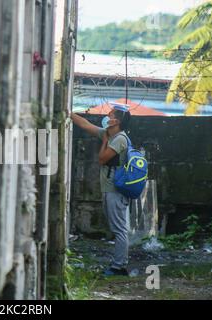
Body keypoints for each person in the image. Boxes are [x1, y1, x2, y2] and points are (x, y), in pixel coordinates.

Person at [70, 103, 132, 276]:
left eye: (110, 114)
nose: (107, 115)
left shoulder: (119, 139)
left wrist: (104, 142)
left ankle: (119, 267)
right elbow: (85, 125)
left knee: (119, 229)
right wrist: (68, 113)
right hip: (109, 189)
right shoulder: (109, 134)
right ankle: (119, 264)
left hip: (116, 190)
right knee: (117, 228)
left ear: (116, 121)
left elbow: (102, 159)